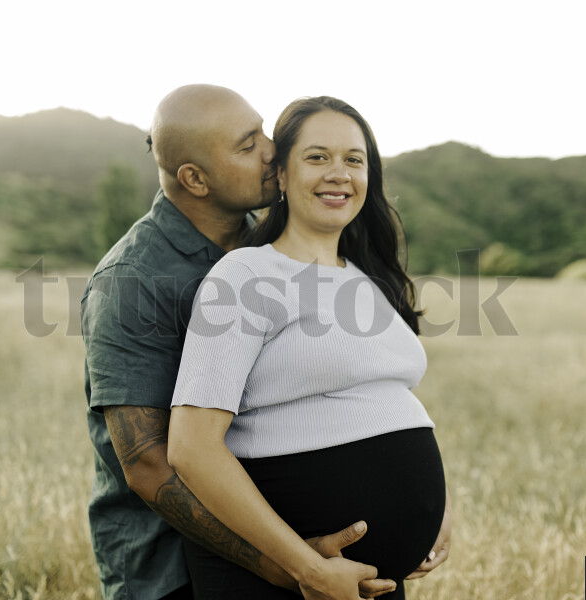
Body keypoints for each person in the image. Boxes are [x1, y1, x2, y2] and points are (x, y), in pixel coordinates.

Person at [81, 85, 414, 600]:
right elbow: (150, 462)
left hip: (301, 551)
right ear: (194, 178)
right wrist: (289, 567)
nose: (269, 149)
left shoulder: (271, 243)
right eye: (246, 145)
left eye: (262, 130)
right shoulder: (132, 280)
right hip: (175, 570)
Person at [167, 96, 452, 599]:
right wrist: (308, 569)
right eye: (317, 157)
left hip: (373, 584)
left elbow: (387, 405)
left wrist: (442, 509)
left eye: (354, 159)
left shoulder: (371, 279)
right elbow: (191, 449)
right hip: (290, 583)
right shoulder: (246, 274)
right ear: (280, 175)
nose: (338, 173)